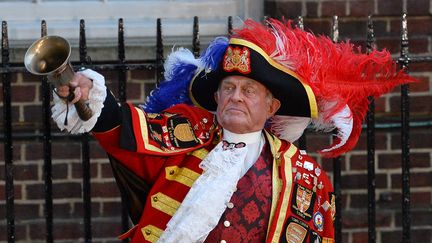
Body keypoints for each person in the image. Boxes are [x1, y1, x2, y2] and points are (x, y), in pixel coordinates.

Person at [51, 19, 415, 243]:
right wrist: (86, 91)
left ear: (272, 106)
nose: (235, 97)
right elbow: (124, 128)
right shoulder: (189, 129)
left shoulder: (304, 176)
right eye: (229, 88)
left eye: (249, 90)